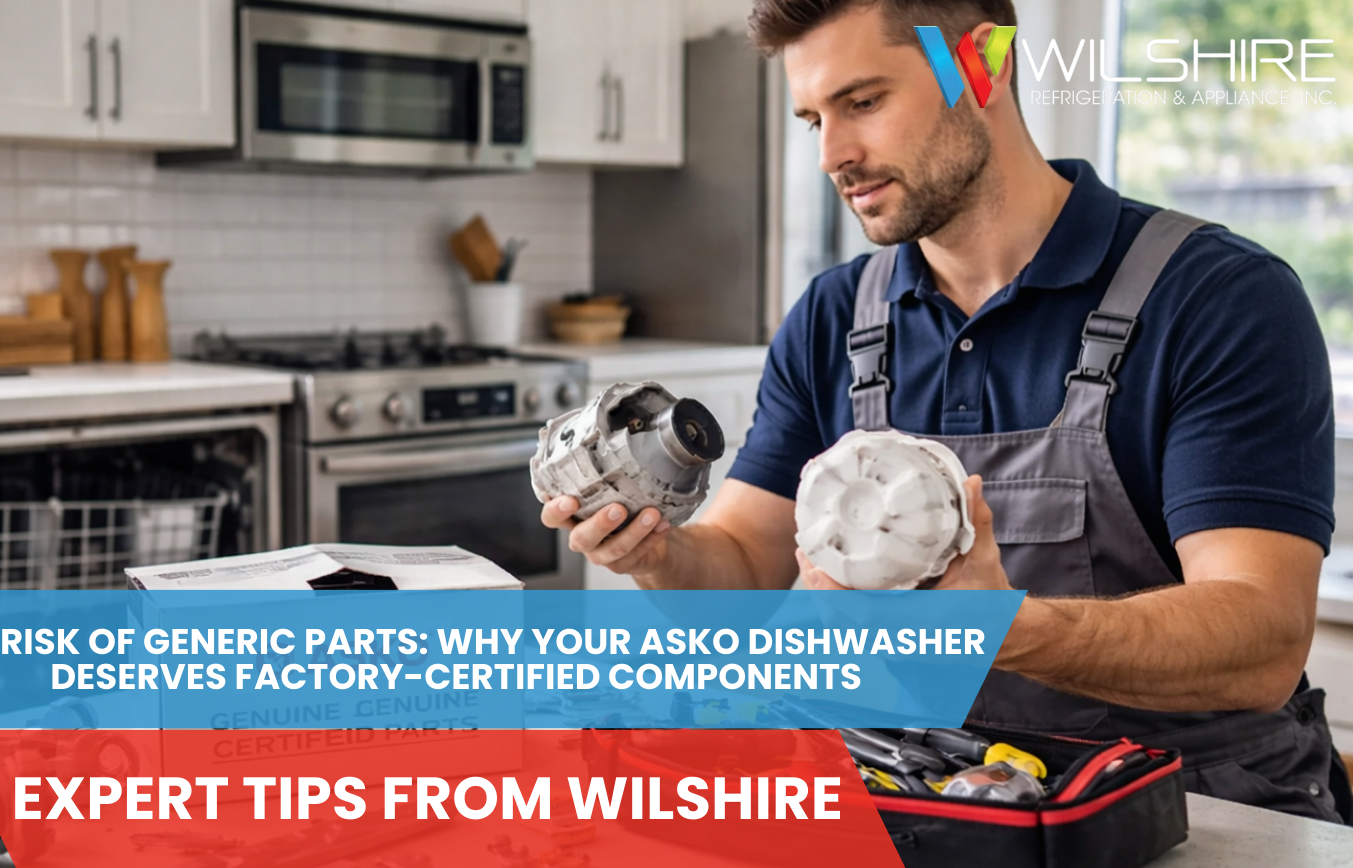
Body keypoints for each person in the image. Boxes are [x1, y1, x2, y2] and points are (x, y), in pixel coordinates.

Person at [540, 0, 1351, 823]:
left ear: (983, 64)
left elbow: (1262, 641)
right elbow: (745, 571)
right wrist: (658, 555)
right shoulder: (833, 318)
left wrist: (1003, 630)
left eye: (863, 101)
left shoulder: (1217, 299)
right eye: (813, 119)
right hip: (936, 800)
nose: (832, 154)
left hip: (1198, 815)